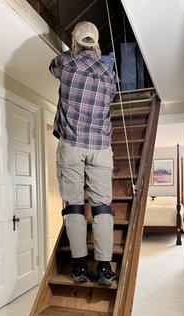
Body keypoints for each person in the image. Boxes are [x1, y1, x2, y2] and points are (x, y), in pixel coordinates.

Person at [49, 21, 116, 286]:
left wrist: (75, 50)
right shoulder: (108, 73)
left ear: (74, 43)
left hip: (72, 144)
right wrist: (96, 53)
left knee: (74, 205)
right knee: (102, 207)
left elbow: (52, 65)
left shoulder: (67, 64)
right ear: (96, 44)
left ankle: (78, 266)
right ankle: (103, 268)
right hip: (100, 147)